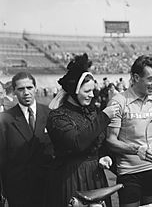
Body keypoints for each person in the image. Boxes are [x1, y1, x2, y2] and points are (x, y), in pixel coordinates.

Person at [44, 53, 119, 207]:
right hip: (72, 176)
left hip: (95, 175)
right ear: (74, 91)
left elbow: (98, 140)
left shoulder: (90, 112)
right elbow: (77, 143)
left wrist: (103, 156)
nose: (92, 95)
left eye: (92, 90)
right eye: (87, 91)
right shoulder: (58, 116)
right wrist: (104, 116)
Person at [106, 55, 152, 207]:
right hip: (129, 173)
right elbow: (110, 141)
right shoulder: (118, 102)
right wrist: (135, 150)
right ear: (136, 77)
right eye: (151, 79)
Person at [0, 72, 54, 207]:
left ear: (35, 88)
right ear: (14, 92)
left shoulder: (50, 114)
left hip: (47, 185)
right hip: (18, 189)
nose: (26, 92)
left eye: (29, 88)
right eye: (21, 89)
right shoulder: (5, 119)